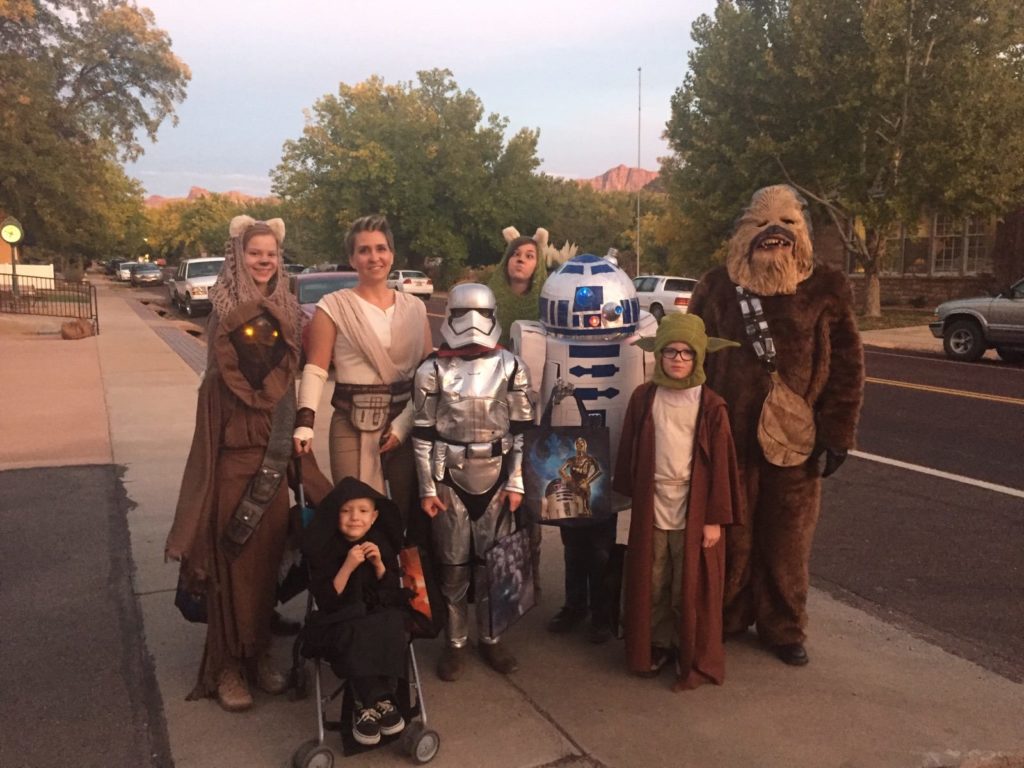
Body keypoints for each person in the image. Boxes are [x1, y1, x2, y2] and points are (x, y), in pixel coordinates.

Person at [687, 185, 864, 666]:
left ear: (801, 236)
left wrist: (837, 433)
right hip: (729, 441)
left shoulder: (827, 288)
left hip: (797, 441)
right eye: (764, 230)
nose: (776, 237)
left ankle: (784, 628)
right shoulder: (716, 287)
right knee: (728, 533)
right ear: (744, 236)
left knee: (788, 540)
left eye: (787, 229)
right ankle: (724, 616)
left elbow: (847, 365)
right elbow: (688, 358)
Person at [166, 215, 303, 711]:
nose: (264, 260)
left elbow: (290, 384)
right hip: (232, 462)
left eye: (270, 253)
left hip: (274, 456)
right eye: (254, 252)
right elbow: (216, 390)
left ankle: (260, 654)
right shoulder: (223, 312)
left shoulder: (289, 308)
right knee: (230, 567)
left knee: (268, 566)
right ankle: (226, 667)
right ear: (237, 257)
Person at [412, 283, 536, 681]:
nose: (472, 324)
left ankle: (491, 637)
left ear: (494, 315)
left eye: (480, 313)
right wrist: (428, 488)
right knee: (452, 567)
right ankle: (455, 641)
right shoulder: (432, 369)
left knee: (491, 567)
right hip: (449, 476)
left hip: (497, 474)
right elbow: (423, 435)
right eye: (463, 313)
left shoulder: (511, 365)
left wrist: (516, 482)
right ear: (449, 316)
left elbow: (520, 430)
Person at [614, 313, 743, 690]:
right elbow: (630, 452)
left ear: (700, 356)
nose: (678, 359)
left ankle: (686, 647)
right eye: (670, 351)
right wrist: (630, 500)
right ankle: (656, 643)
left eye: (687, 353)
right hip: (654, 502)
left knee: (687, 582)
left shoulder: (711, 405)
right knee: (653, 577)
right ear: (658, 353)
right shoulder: (645, 397)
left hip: (693, 505)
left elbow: (720, 466)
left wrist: (714, 519)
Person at [292, 214, 432, 526]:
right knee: (355, 518)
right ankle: (358, 574)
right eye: (364, 250)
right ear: (352, 258)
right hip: (352, 423)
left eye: (381, 249)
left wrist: (403, 426)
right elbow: (315, 368)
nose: (374, 257)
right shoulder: (332, 306)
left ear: (392, 254)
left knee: (407, 519)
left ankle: (401, 575)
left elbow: (427, 378)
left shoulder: (416, 308)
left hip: (405, 423)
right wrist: (305, 422)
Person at [300, 477, 408, 747]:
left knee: (394, 622)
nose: (354, 518)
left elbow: (391, 590)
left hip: (376, 614)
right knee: (355, 630)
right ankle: (372, 701)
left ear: (373, 517)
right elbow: (325, 599)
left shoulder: (379, 542)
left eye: (362, 511)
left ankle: (375, 700)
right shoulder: (325, 547)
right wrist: (347, 566)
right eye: (346, 511)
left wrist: (380, 565)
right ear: (335, 515)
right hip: (339, 618)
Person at [487, 227, 549, 600]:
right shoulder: (487, 298)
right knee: (492, 497)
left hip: (532, 414)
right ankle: (495, 577)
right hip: (489, 409)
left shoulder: (545, 304)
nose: (521, 259)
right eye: (515, 253)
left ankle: (531, 578)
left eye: (529, 255)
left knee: (527, 497)